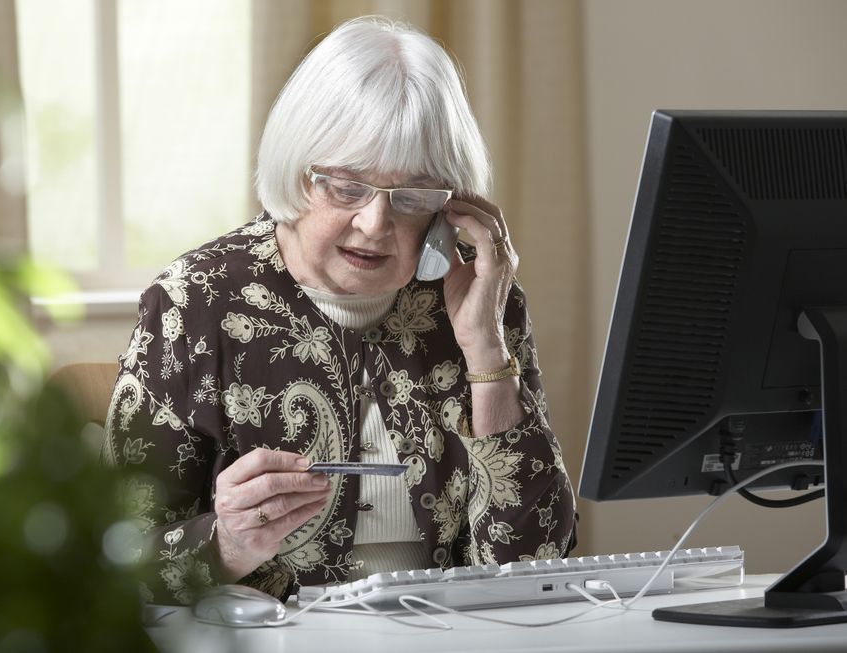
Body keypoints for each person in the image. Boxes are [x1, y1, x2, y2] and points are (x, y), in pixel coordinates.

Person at [103, 15, 577, 604]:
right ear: (298, 175)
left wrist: (486, 351)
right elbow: (111, 565)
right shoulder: (195, 302)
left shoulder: (475, 298)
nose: (375, 225)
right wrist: (225, 544)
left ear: (448, 210)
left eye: (410, 196)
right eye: (346, 187)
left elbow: (536, 563)